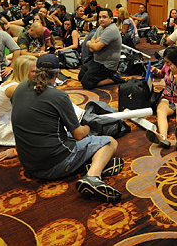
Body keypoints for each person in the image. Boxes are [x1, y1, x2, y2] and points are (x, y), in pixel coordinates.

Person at [11, 54, 124, 202]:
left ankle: (88, 163)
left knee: (70, 136)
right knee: (109, 142)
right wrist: (88, 128)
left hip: (28, 163)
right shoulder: (58, 95)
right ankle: (93, 176)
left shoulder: (20, 87)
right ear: (57, 74)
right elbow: (78, 134)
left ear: (36, 70)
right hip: (52, 165)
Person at [0, 55, 37, 147]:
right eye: (33, 71)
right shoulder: (16, 88)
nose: (38, 73)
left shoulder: (14, 81)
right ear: (24, 72)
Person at [145, 46, 177, 150]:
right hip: (168, 98)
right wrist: (156, 72)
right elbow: (162, 74)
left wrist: (176, 75)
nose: (166, 64)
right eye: (166, 62)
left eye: (168, 62)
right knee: (160, 111)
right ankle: (163, 137)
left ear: (176, 61)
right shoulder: (167, 66)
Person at [78, 8, 123, 89]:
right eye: (100, 17)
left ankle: (112, 79)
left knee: (86, 83)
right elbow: (93, 43)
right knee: (80, 77)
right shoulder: (101, 27)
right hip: (97, 60)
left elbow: (95, 47)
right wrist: (93, 44)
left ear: (111, 19)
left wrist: (88, 43)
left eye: (104, 17)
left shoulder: (111, 29)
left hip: (106, 65)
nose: (101, 19)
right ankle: (105, 77)